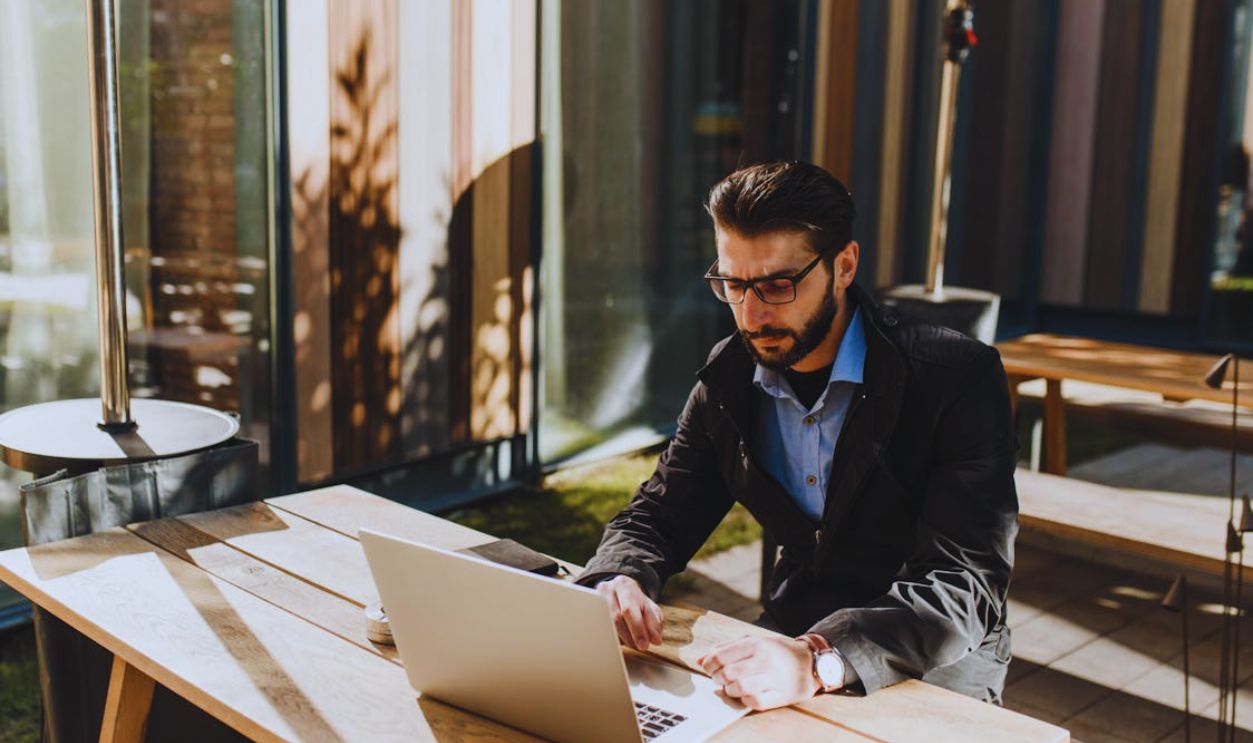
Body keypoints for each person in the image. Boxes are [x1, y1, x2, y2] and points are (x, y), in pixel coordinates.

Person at [575, 161, 1018, 710]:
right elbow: (661, 512)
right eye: (734, 284)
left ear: (844, 265)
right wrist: (617, 577)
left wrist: (818, 660)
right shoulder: (731, 374)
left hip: (939, 654)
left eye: (779, 284)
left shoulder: (954, 377)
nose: (752, 314)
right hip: (794, 629)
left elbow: (965, 581)